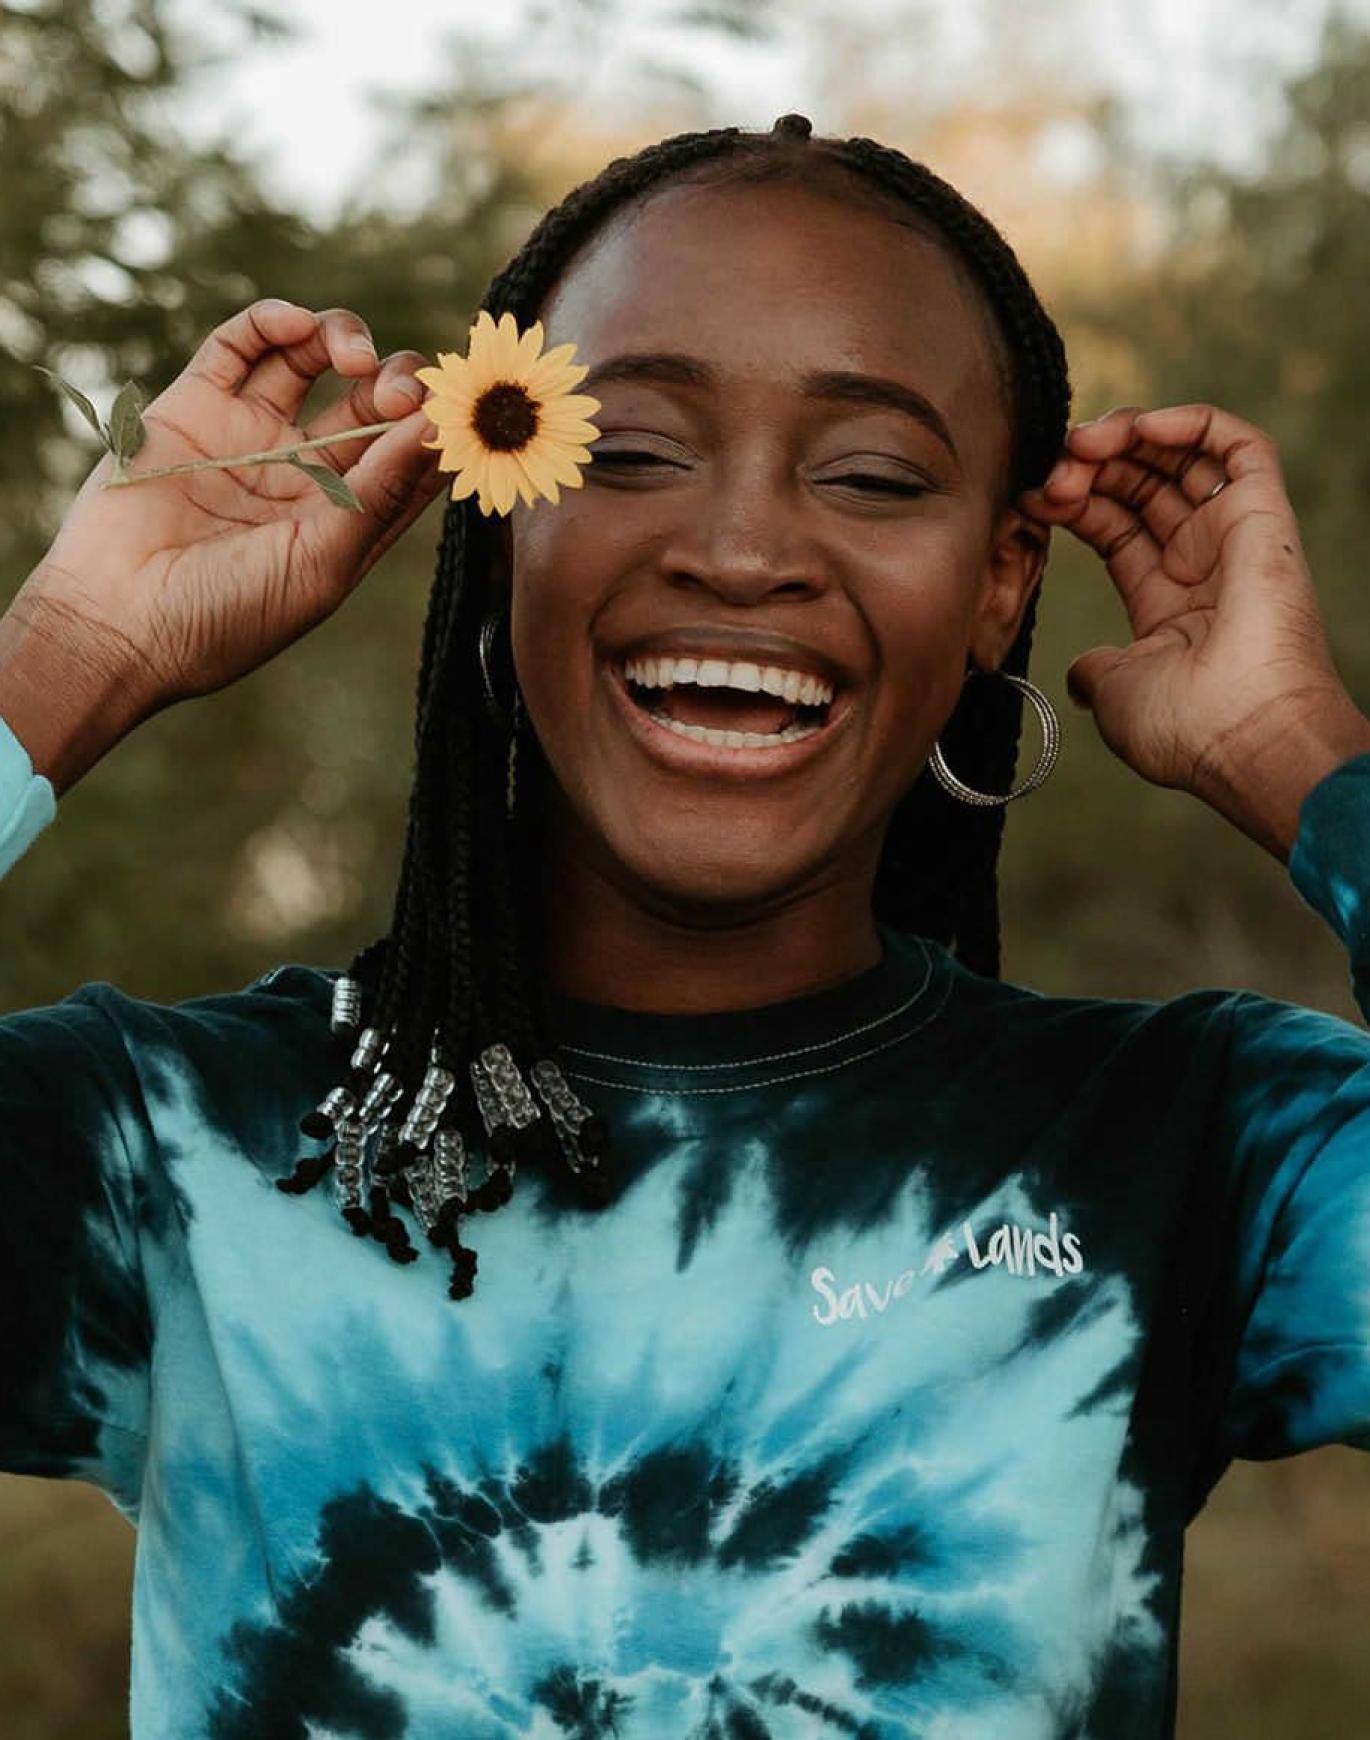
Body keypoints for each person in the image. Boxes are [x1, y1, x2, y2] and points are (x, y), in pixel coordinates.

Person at [2, 113, 1368, 1740]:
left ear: (1002, 582)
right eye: (631, 450)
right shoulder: (174, 1148)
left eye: (869, 475)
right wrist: (65, 654)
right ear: (500, 517)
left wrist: (1303, 757)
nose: (739, 551)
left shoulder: (1194, 1149)